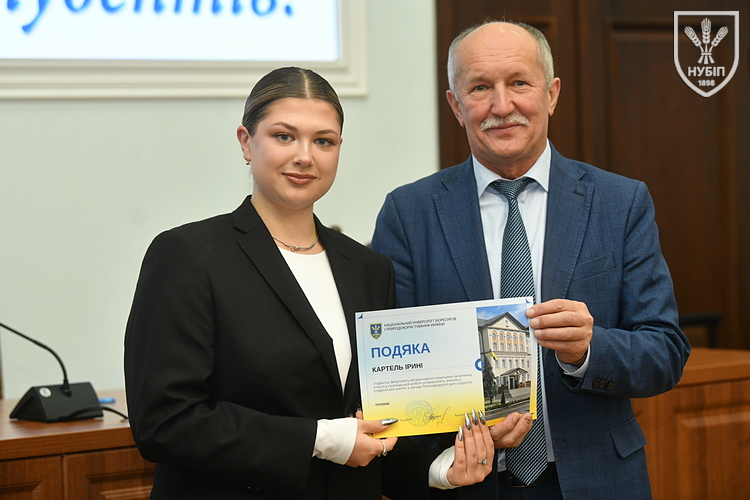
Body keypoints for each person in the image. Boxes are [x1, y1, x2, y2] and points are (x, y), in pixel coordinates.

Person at [124, 66, 500, 500]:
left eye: (324, 141)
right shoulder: (189, 255)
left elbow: (373, 428)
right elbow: (165, 423)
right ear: (246, 142)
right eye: (284, 136)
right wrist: (322, 439)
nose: (305, 156)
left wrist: (439, 469)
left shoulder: (368, 268)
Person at [371, 21, 691, 499]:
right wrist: (463, 426)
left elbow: (665, 352)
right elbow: (388, 375)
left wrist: (588, 351)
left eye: (519, 82)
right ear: (456, 105)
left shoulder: (620, 202)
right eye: (480, 88)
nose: (502, 106)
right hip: (466, 482)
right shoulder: (408, 213)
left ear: (551, 94)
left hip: (598, 480)